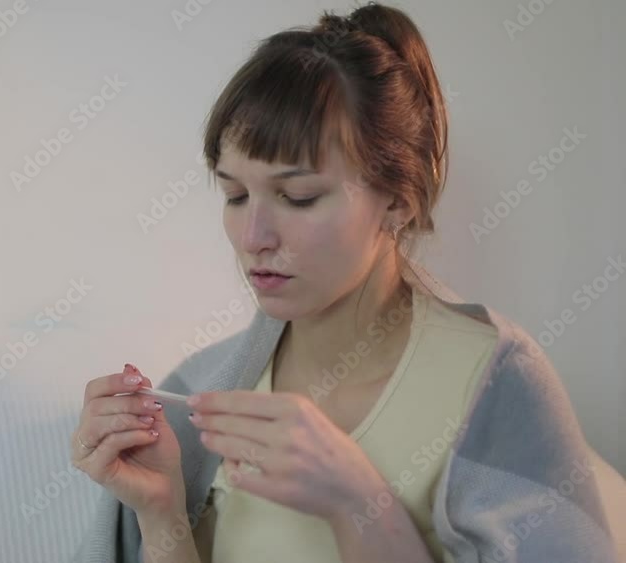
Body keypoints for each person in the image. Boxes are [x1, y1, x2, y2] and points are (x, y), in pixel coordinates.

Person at [69, 3, 620, 562]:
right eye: (235, 195)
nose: (254, 236)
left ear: (398, 200)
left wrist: (357, 500)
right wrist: (160, 512)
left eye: (298, 197)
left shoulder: (493, 381)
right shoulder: (202, 389)